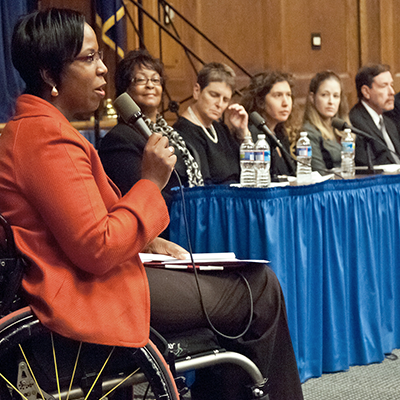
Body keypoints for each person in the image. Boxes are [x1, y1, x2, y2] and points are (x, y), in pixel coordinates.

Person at [0, 8, 303, 400]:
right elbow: (97, 247)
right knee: (259, 288)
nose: (103, 70)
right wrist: (150, 182)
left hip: (94, 275)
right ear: (47, 73)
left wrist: (151, 243)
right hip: (83, 289)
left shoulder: (39, 128)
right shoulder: (46, 139)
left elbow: (95, 220)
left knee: (237, 288)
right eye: (89, 58)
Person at [99, 49, 203, 202]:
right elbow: (136, 195)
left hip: (190, 216)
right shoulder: (119, 139)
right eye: (141, 80)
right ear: (125, 89)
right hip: (162, 219)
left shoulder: (171, 133)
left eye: (155, 80)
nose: (150, 86)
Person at [173, 62, 251, 185]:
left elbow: (249, 172)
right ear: (197, 91)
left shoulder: (221, 129)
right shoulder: (182, 132)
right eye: (214, 95)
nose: (219, 104)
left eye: (225, 100)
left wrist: (243, 133)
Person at [241, 71, 296, 181]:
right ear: (261, 102)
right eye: (278, 95)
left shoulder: (281, 134)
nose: (285, 103)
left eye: (288, 95)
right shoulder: (253, 136)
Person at [349, 64, 400, 166]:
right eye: (384, 86)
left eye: (391, 85)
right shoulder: (355, 122)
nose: (392, 92)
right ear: (366, 92)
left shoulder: (388, 121)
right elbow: (366, 165)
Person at [302, 70, 349, 172]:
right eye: (324, 95)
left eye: (336, 96)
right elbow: (319, 171)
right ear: (312, 97)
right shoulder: (309, 132)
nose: (331, 102)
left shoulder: (343, 129)